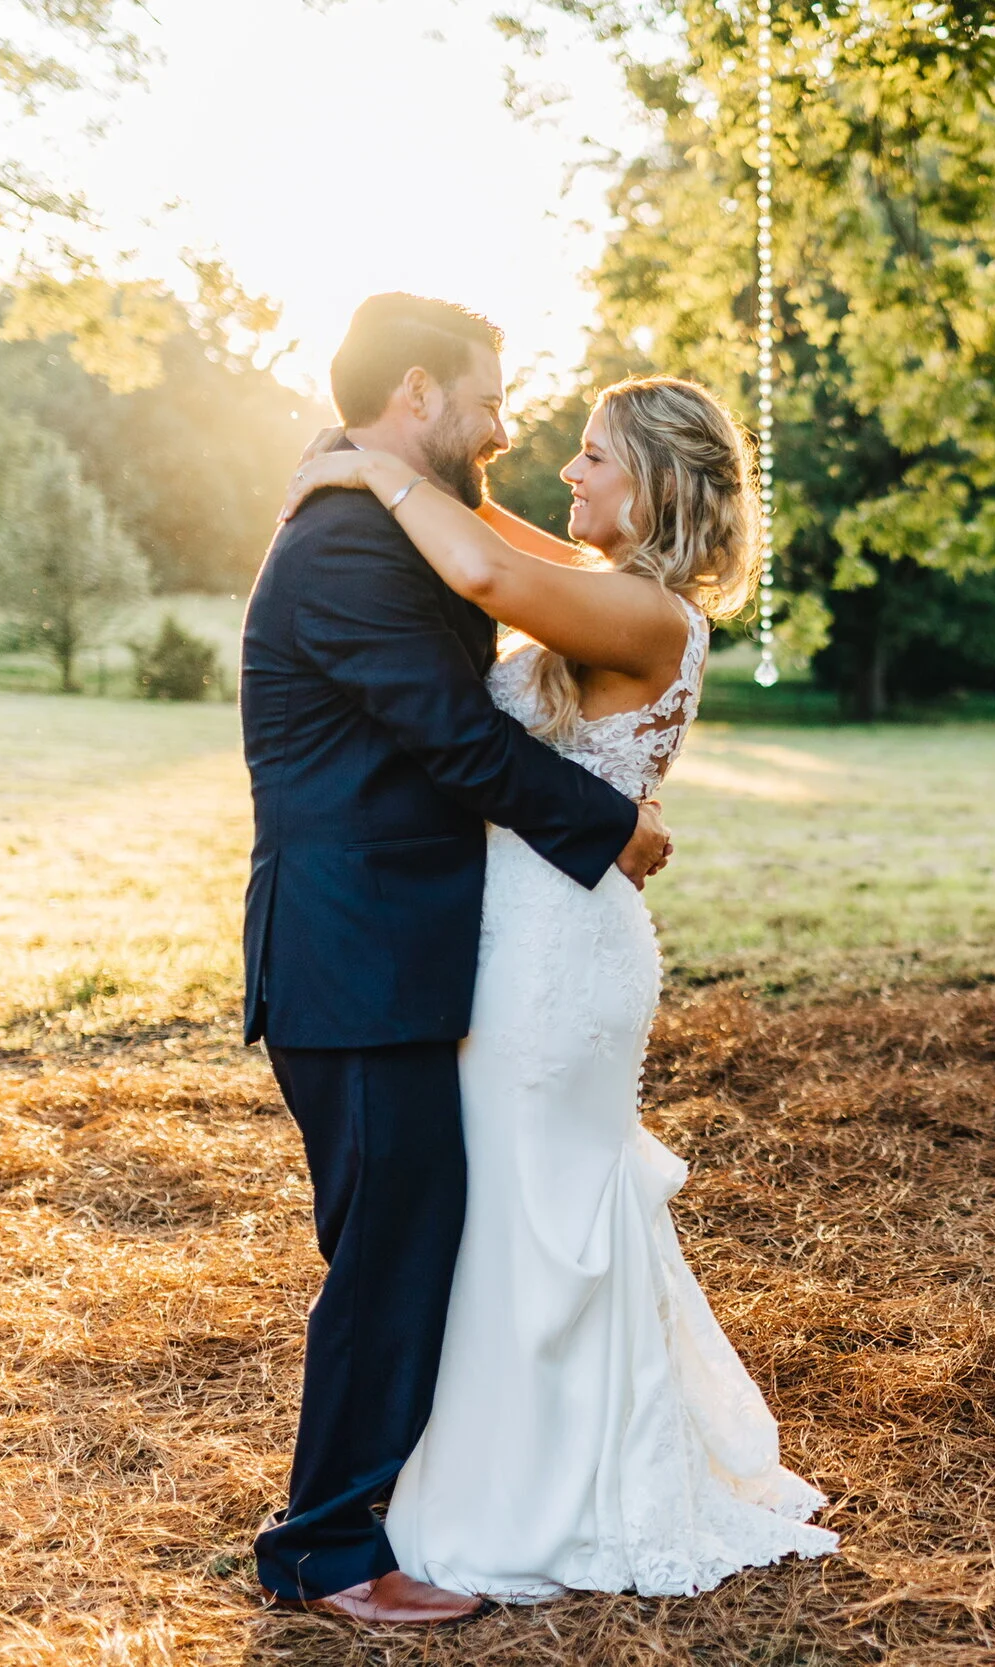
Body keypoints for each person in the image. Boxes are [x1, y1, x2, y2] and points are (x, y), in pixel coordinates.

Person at [274, 368, 838, 1604]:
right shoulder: (608, 593)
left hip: (557, 956)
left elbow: (480, 574)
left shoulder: (648, 619)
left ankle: (544, 1494)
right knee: (504, 1217)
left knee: (542, 1215)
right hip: (509, 935)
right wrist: (408, 475)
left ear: (654, 487)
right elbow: (507, 545)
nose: (566, 472)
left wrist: (375, 470)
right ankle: (484, 1470)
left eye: (595, 457)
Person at [241, 294, 674, 1622]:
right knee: (389, 1251)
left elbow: (510, 570)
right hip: (353, 953)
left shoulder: (387, 517)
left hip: (395, 946)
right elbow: (453, 736)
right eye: (488, 397)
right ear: (419, 393)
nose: (506, 424)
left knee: (408, 1238)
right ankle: (319, 1553)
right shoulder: (347, 544)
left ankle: (395, 1506)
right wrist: (612, 827)